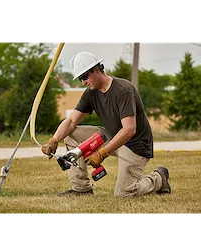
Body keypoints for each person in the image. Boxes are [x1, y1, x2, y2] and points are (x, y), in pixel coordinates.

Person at [41, 51, 171, 197]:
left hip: (135, 145)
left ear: (96, 70)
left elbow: (129, 130)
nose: (83, 82)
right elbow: (71, 121)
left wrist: (102, 153)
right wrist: (54, 140)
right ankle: (81, 189)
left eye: (84, 77)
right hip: (112, 136)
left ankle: (159, 178)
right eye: (80, 79)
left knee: (124, 193)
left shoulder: (123, 90)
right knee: (72, 135)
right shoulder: (91, 93)